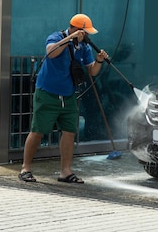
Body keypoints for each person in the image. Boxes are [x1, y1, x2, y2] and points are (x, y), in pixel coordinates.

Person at [18, 13, 109, 184]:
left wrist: (98, 61)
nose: (87, 36)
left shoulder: (84, 47)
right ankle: (25, 168)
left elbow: (92, 71)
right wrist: (70, 39)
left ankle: (65, 172)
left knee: (69, 132)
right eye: (85, 32)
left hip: (68, 95)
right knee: (38, 131)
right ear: (75, 29)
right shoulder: (56, 37)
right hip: (47, 93)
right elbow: (51, 53)